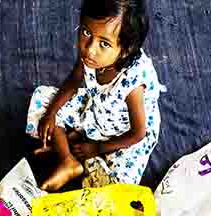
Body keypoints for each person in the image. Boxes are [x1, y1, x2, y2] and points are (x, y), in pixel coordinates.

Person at [27, 0, 165, 191]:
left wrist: (97, 148)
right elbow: (74, 80)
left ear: (125, 50)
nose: (90, 48)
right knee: (43, 99)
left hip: (123, 134)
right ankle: (70, 161)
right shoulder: (91, 55)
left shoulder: (133, 84)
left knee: (118, 189)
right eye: (86, 32)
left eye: (104, 44)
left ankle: (73, 146)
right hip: (96, 110)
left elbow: (138, 134)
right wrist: (51, 113)